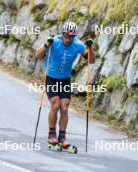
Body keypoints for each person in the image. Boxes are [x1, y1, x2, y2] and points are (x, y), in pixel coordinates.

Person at [35, 21, 95, 150]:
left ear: (74, 36)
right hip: (51, 78)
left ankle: (62, 137)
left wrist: (90, 49)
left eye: (71, 37)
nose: (68, 39)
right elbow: (37, 55)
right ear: (62, 34)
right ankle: (52, 135)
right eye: (66, 36)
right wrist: (46, 45)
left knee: (65, 108)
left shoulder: (78, 45)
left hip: (65, 80)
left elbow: (91, 60)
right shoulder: (54, 41)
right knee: (55, 105)